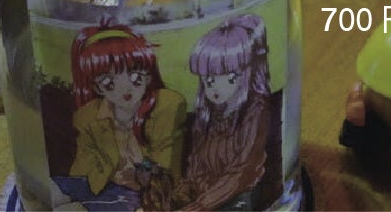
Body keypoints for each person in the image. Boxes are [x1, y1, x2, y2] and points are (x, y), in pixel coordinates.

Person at [57, 22, 186, 211]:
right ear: (97, 87)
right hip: (104, 190)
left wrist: (137, 175)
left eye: (135, 78)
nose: (125, 89)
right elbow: (81, 173)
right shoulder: (89, 117)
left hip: (146, 194)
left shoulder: (166, 107)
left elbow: (167, 170)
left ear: (148, 77)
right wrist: (111, 175)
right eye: (109, 82)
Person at [173, 14, 273, 211]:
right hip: (207, 198)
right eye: (209, 80)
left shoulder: (256, 112)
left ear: (246, 72)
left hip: (241, 198)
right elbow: (196, 163)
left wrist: (199, 206)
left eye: (229, 77)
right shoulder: (208, 116)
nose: (216, 88)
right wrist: (185, 191)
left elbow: (241, 172)